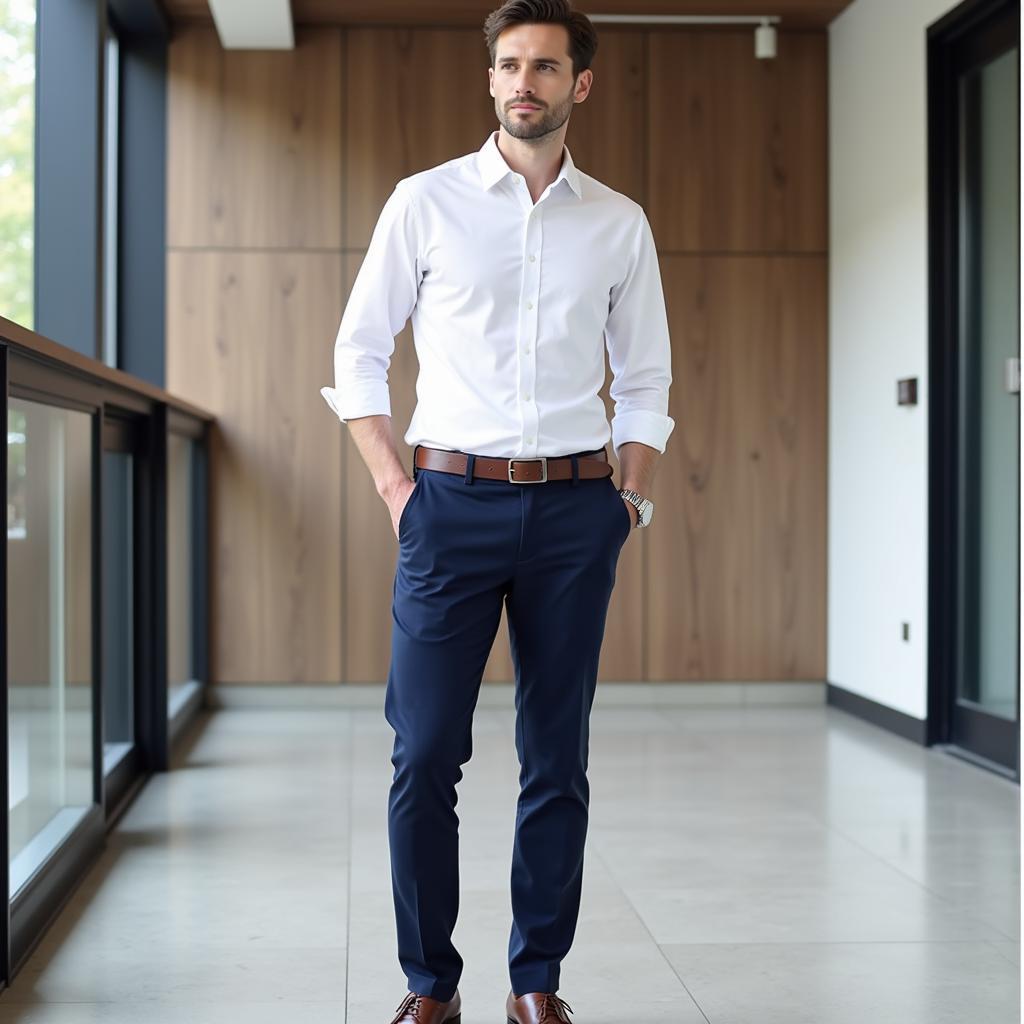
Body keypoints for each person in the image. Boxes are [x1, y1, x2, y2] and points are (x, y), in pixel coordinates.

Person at [319, 1, 674, 1021]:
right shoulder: (422, 204)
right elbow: (356, 354)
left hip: (575, 512)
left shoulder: (618, 222)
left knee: (555, 754)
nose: (526, 81)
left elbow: (644, 376)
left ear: (579, 85)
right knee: (424, 748)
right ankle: (430, 983)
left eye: (547, 66)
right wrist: (397, 487)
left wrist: (631, 499)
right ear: (490, 80)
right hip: (447, 502)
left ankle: (535, 981)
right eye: (510, 64)